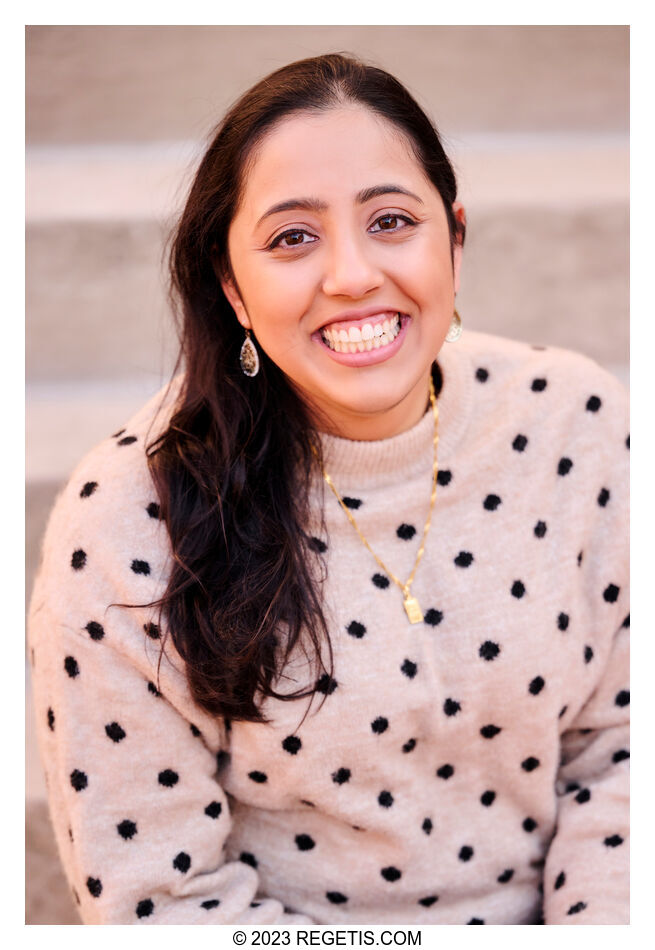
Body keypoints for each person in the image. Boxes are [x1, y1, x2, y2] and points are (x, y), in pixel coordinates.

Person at [28, 53, 629, 925]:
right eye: (291, 238)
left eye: (390, 221)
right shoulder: (128, 520)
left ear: (453, 242)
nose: (350, 274)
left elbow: (621, 748)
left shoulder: (575, 419)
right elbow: (161, 899)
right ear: (232, 289)